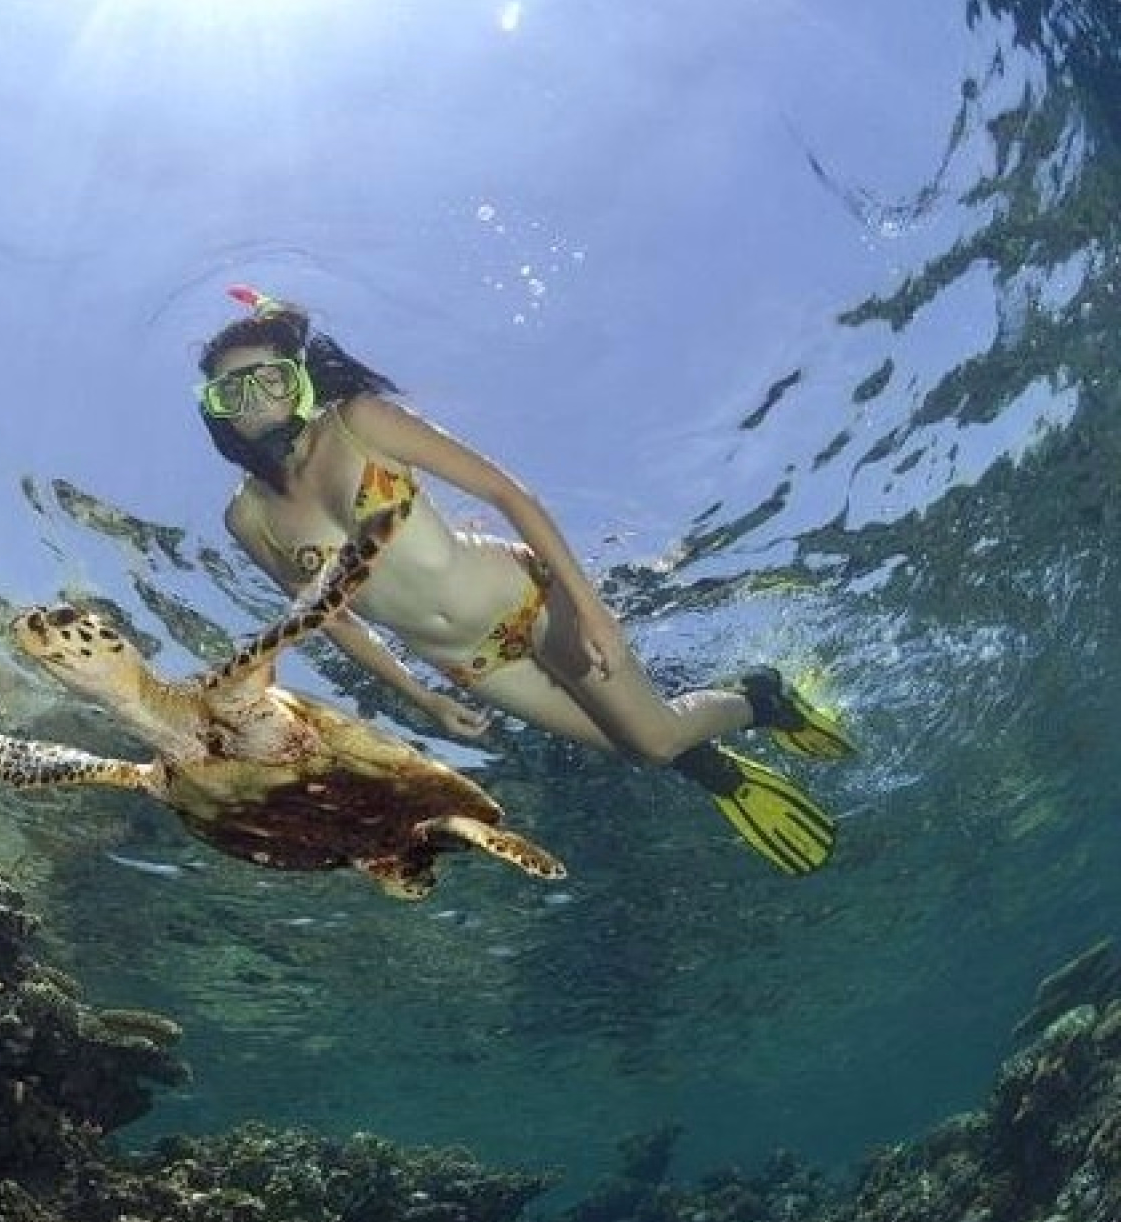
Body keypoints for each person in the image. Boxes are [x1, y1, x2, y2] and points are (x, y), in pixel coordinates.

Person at [195, 285, 852, 875]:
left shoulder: (359, 422)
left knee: (652, 740)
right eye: (233, 390)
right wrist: (421, 699)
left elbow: (507, 493)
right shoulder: (247, 517)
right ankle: (704, 752)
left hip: (524, 596)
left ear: (298, 379)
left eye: (268, 377)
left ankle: (760, 698)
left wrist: (591, 609)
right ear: (217, 409)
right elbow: (328, 618)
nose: (255, 398)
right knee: (638, 747)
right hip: (470, 663)